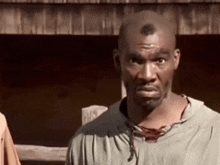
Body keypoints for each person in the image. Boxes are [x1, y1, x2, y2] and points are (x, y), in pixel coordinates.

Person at [65, 10, 220, 165]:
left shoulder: (213, 135)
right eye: (135, 61)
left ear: (175, 60)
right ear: (118, 61)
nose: (147, 75)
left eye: (159, 60)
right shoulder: (89, 143)